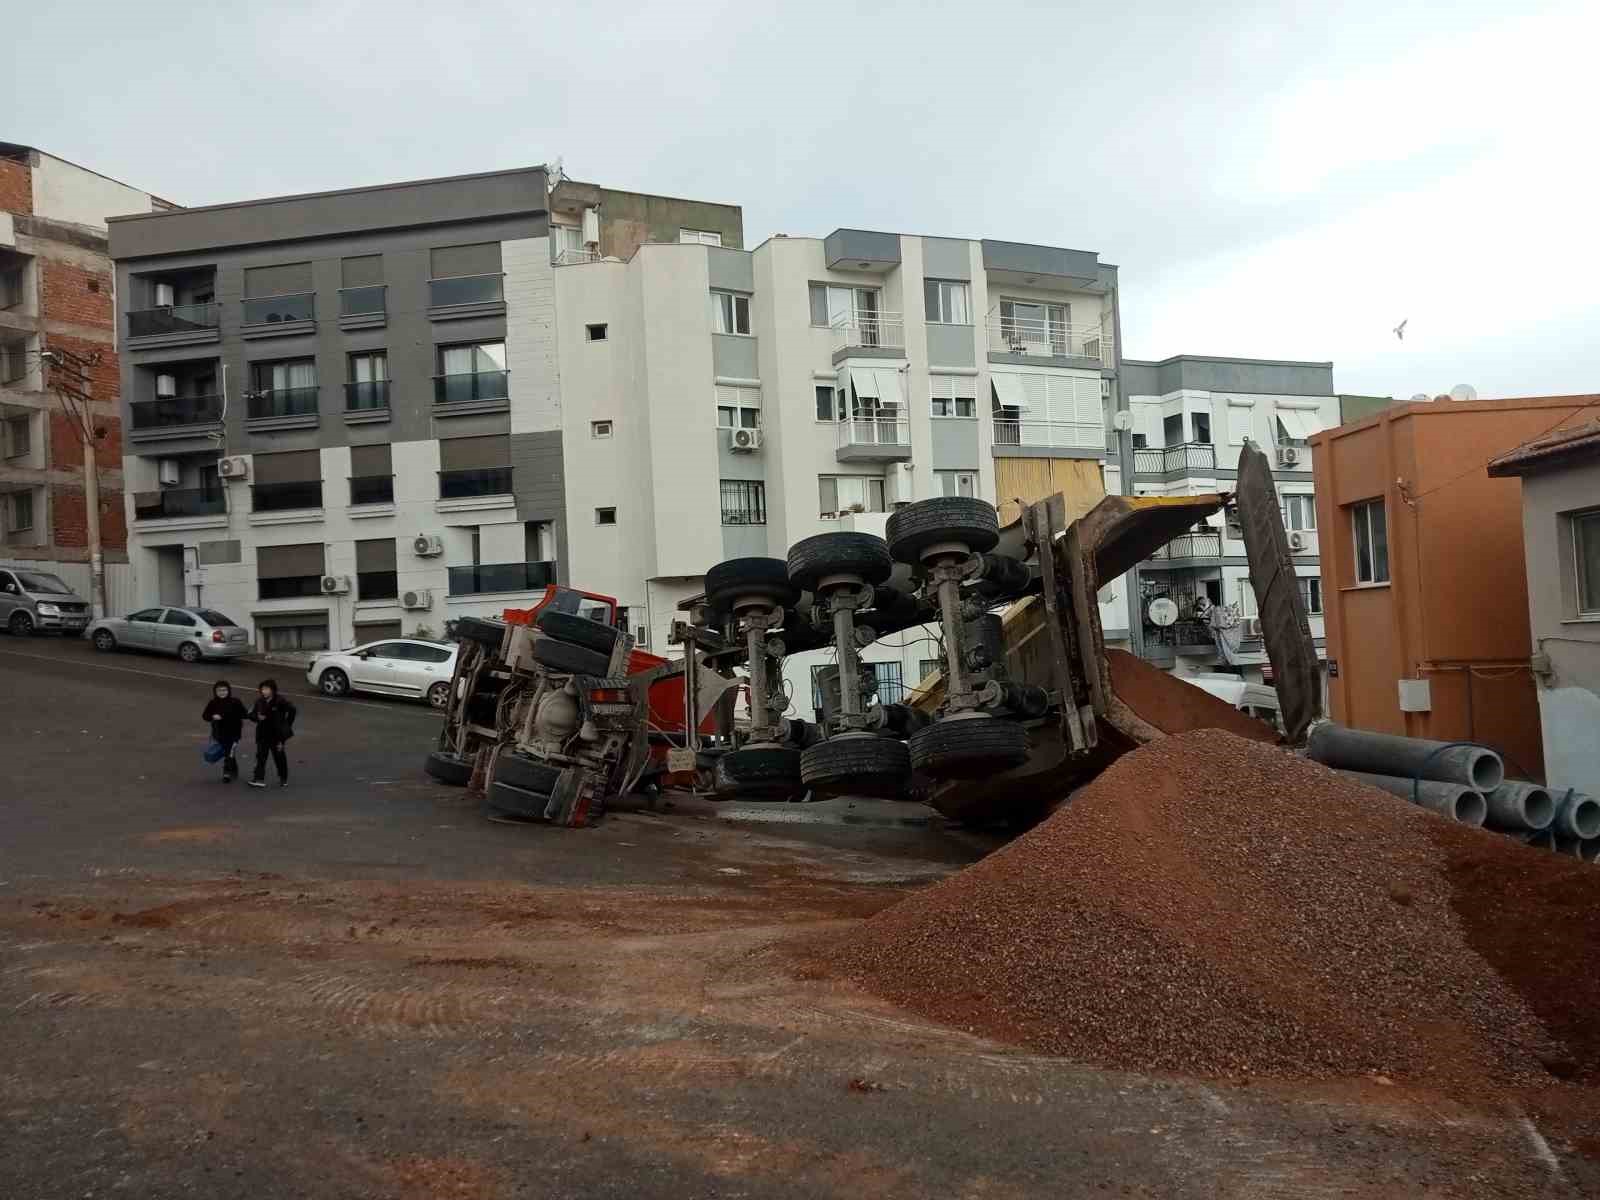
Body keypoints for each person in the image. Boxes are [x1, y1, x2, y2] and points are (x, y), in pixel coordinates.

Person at [247, 679, 296, 789]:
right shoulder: (259, 701)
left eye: (267, 689)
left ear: (273, 690)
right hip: (262, 734)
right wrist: (257, 717)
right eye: (262, 689)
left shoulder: (280, 701)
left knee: (279, 757)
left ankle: (283, 778)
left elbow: (292, 710)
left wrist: (287, 725)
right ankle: (258, 779)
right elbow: (251, 714)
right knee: (260, 756)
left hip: (277, 736)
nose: (264, 691)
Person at [200, 680, 249, 783]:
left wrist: (234, 716)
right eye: (219, 690)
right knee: (228, 753)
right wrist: (213, 716)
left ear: (228, 690)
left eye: (224, 690)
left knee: (229, 753)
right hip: (219, 733)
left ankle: (226, 773)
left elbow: (245, 714)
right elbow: (205, 716)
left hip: (234, 733)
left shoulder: (235, 702)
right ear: (215, 692)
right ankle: (234, 769)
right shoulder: (213, 703)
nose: (222, 692)